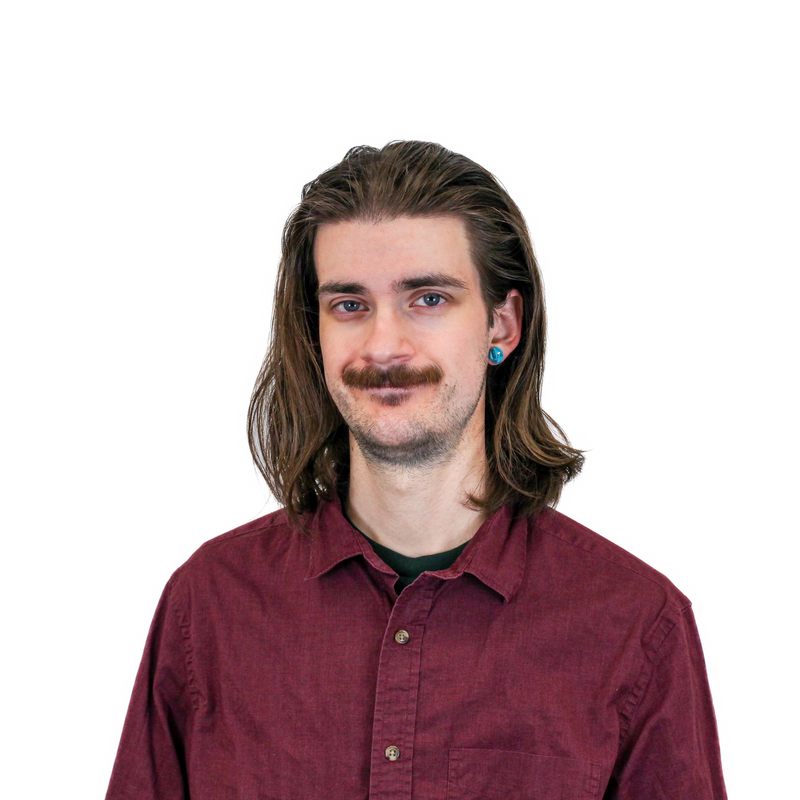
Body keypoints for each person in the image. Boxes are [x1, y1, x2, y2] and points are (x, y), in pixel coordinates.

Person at [105, 141, 728, 799]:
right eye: (349, 304)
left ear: (502, 323)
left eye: (427, 299)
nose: (382, 345)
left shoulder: (633, 621)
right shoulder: (211, 606)